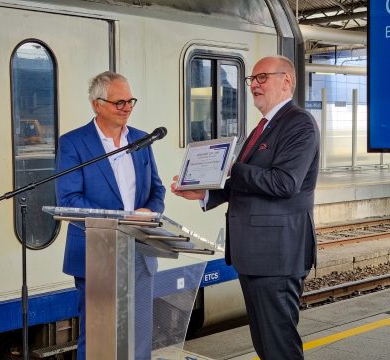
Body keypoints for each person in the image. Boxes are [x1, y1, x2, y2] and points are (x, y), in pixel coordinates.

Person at [171, 55, 319, 360]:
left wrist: (228, 168)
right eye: (252, 80)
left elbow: (284, 183)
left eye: (262, 77)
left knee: (279, 346)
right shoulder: (264, 127)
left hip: (277, 256)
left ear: (287, 80)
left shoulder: (299, 123)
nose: (254, 85)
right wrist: (205, 194)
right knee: (266, 345)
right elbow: (252, 184)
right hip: (256, 255)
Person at [55, 71, 166, 359]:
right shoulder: (74, 143)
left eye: (130, 101)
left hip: (139, 251)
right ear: (97, 104)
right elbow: (68, 199)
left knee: (139, 337)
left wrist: (149, 211)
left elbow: (157, 190)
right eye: (119, 102)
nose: (127, 107)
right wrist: (122, 219)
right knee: (97, 342)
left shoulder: (141, 140)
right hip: (96, 252)